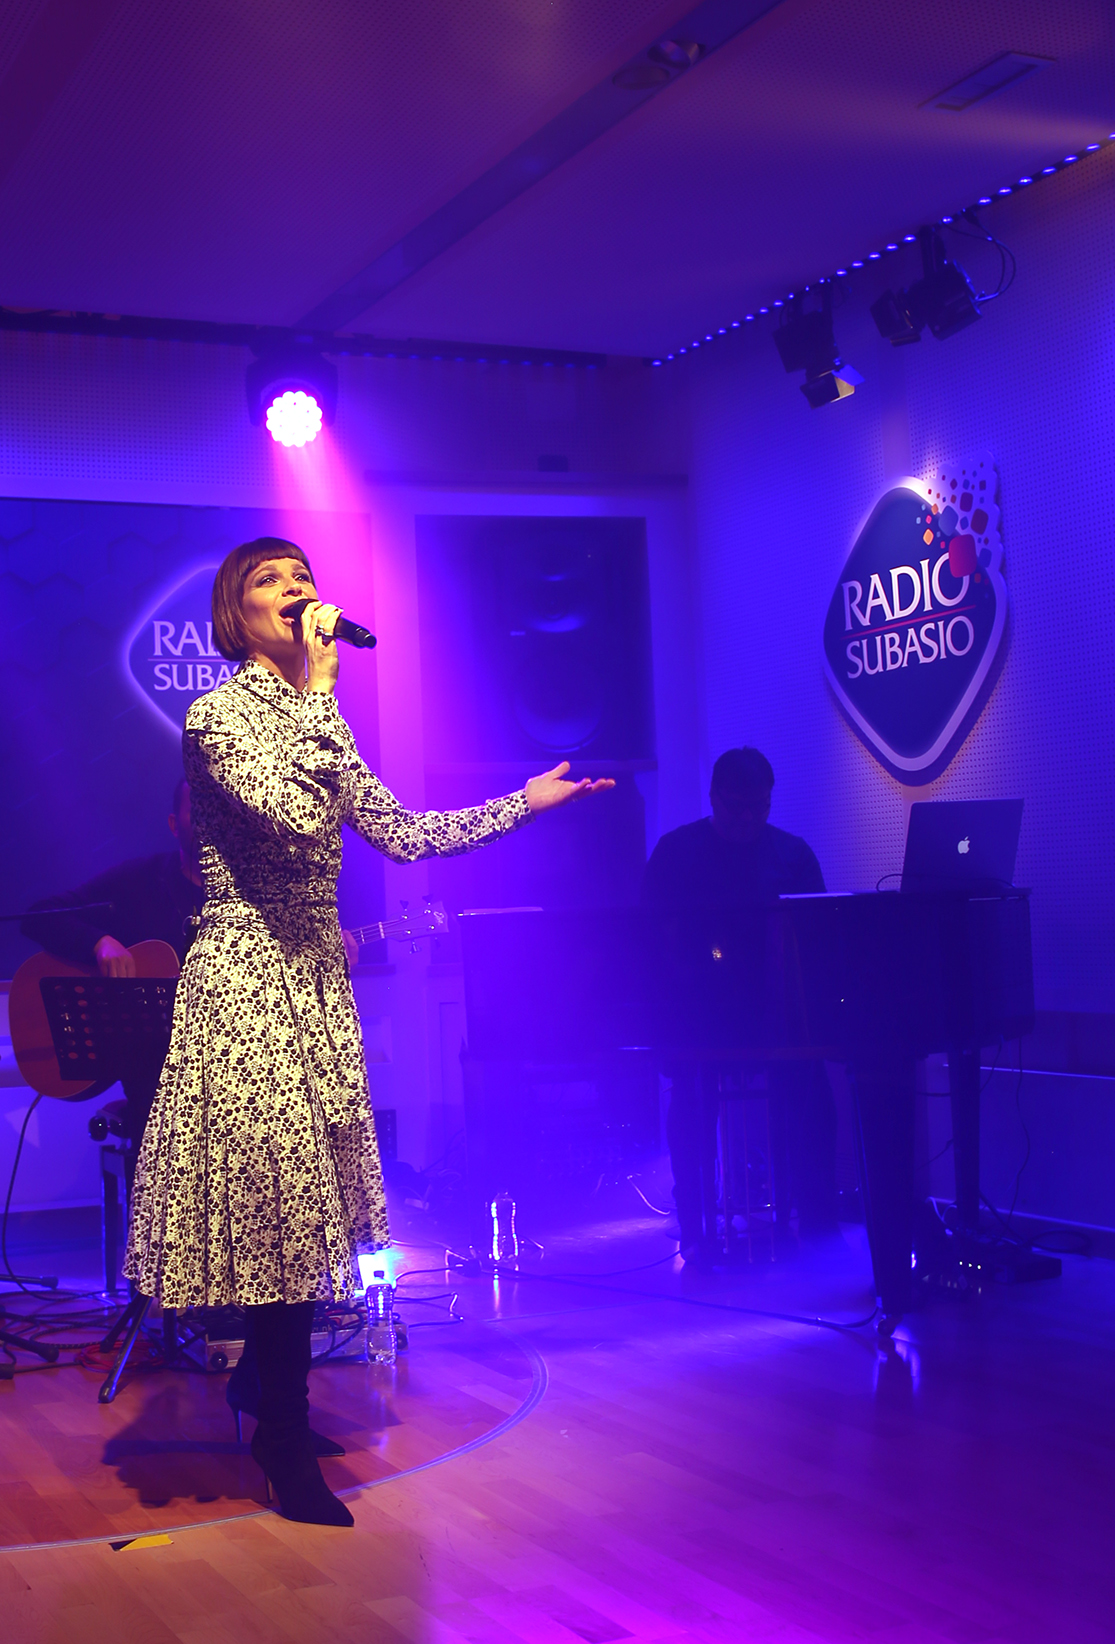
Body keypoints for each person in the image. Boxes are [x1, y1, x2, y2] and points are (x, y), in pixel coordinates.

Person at [122, 536, 612, 1527]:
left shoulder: (321, 719)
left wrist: (524, 805)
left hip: (313, 979)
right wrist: (320, 696)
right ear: (234, 616)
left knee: (308, 1206)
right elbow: (293, 822)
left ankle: (265, 1392)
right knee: (277, 1206)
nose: (295, 589)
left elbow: (403, 834)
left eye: (302, 576)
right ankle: (281, 1431)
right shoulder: (216, 717)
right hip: (246, 979)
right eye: (269, 580)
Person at [641, 746, 838, 1262]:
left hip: (770, 1017)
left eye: (760, 808)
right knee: (694, 1101)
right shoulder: (679, 854)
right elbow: (650, 943)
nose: (749, 819)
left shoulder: (790, 855)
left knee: (810, 1097)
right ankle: (696, 1225)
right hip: (701, 1017)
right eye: (738, 808)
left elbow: (818, 939)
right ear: (714, 799)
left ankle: (818, 1222)